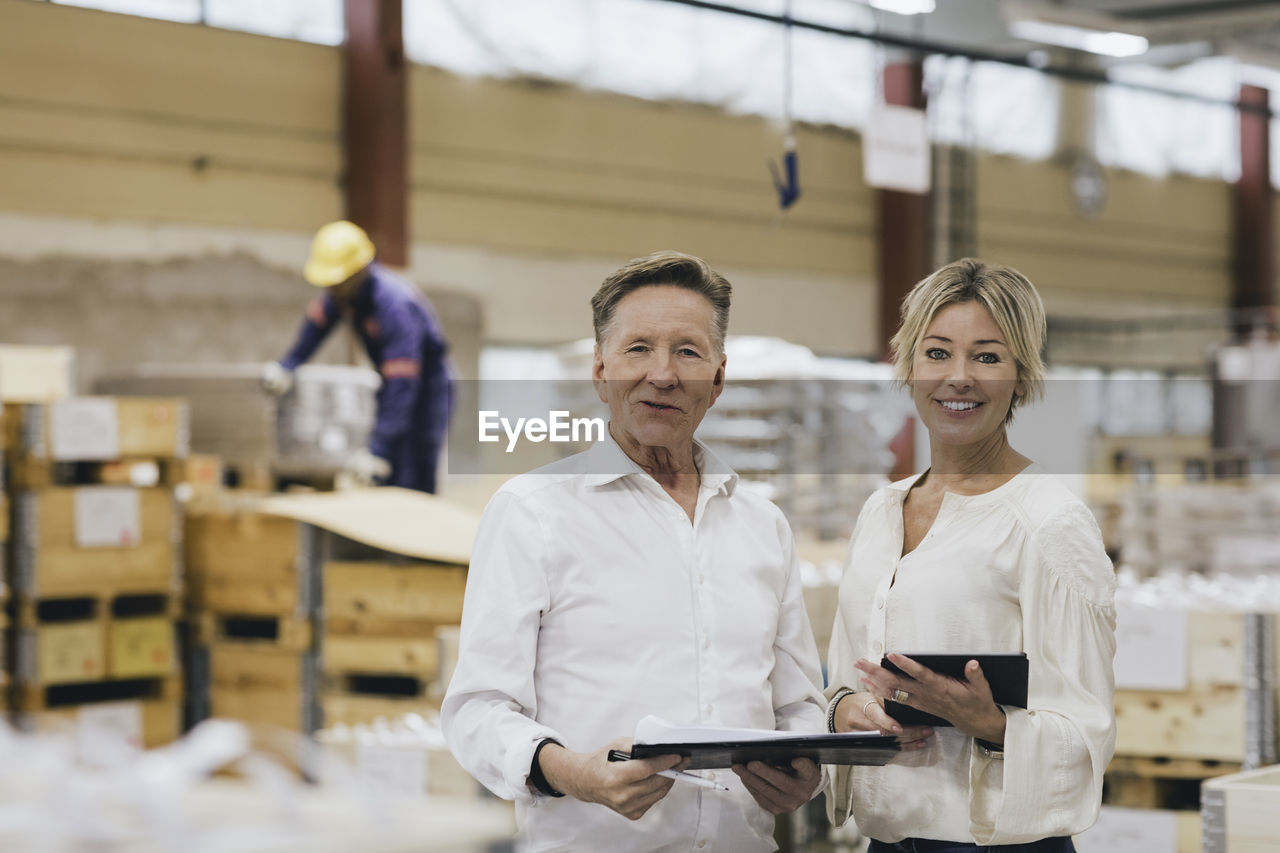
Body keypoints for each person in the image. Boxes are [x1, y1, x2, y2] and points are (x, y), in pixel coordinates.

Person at [442, 251, 826, 852]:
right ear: (600, 371)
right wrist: (576, 774)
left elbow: (799, 702)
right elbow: (478, 709)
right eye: (638, 348)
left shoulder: (761, 525)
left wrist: (807, 767)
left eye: (688, 351)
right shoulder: (533, 511)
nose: (664, 373)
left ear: (718, 379)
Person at [823, 258, 1116, 851]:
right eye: (936, 353)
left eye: (987, 356)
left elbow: (1089, 729)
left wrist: (986, 722)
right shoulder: (880, 512)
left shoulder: (1049, 522)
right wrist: (846, 712)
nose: (958, 377)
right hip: (886, 839)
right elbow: (841, 674)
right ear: (908, 365)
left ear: (1020, 375)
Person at [261, 220, 453, 493]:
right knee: (389, 471)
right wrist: (286, 366)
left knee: (411, 468)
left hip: (426, 388)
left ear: (359, 270)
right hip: (395, 383)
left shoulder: (394, 307)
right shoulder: (344, 295)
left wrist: (378, 449)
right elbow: (315, 329)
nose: (332, 289)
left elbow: (403, 384)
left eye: (338, 281)